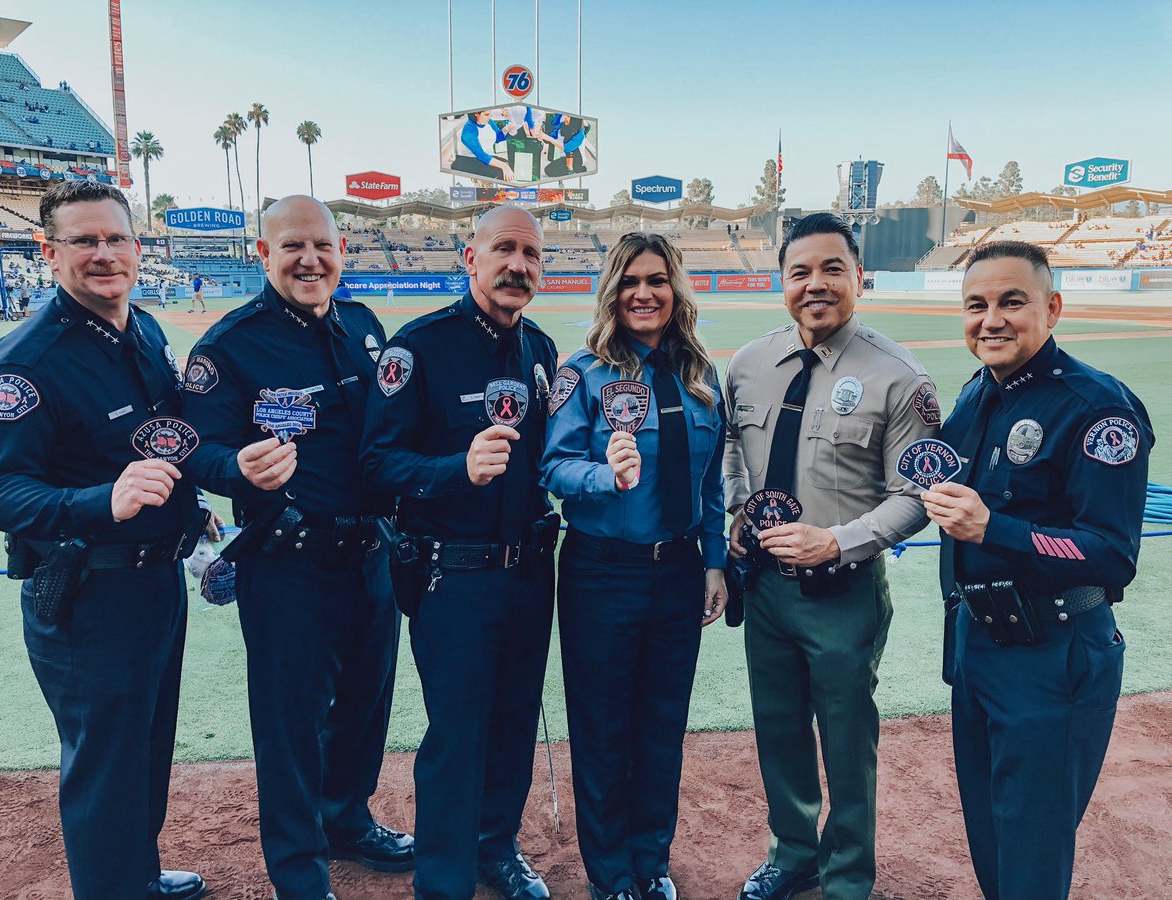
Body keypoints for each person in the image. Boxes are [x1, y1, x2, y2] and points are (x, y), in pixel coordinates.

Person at [0, 181, 209, 899]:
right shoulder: (26, 362)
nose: (104, 254)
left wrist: (195, 512)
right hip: (87, 594)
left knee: (144, 750)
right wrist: (96, 501)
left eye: (115, 239)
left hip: (153, 583)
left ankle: (132, 874)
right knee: (106, 763)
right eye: (84, 241)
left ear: (138, 249)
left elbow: (163, 442)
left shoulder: (144, 330)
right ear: (48, 252)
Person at [181, 196, 411, 900]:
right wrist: (236, 467)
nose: (309, 260)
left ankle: (347, 820)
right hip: (289, 563)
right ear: (263, 254)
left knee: (365, 707)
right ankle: (298, 872)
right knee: (290, 726)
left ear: (341, 251)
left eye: (322, 246)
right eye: (292, 247)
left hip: (371, 553)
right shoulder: (228, 346)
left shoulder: (366, 327)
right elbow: (197, 448)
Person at [922, 241, 1154, 900]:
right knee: (993, 846)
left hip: (1054, 657)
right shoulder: (976, 395)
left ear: (1052, 308)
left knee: (1031, 855)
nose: (991, 319)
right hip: (979, 649)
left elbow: (1111, 555)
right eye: (977, 305)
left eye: (1011, 302)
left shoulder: (1097, 407)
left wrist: (994, 529)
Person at [724, 213, 938, 900]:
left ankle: (847, 875)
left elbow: (918, 496)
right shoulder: (750, 364)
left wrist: (837, 541)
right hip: (765, 590)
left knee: (847, 742)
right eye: (800, 271)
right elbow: (734, 451)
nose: (815, 284)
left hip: (843, 593)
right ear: (781, 282)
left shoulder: (899, 375)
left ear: (858, 277)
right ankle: (793, 854)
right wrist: (736, 509)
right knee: (778, 729)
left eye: (832, 269)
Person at [361, 205, 559, 900]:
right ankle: (443, 878)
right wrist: (454, 469)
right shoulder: (418, 347)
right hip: (454, 576)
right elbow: (377, 463)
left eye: (531, 255)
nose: (518, 266)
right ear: (468, 259)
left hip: (531, 573)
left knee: (512, 723)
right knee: (457, 734)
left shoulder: (540, 350)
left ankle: (495, 850)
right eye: (503, 250)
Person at [541, 232, 727, 900]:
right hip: (602, 572)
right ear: (612, 292)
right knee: (603, 728)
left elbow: (710, 486)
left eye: (656, 279)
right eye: (629, 281)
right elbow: (552, 467)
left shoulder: (703, 378)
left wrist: (714, 563)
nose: (643, 293)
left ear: (675, 288)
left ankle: (651, 861)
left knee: (661, 726)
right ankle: (611, 874)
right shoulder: (584, 372)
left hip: (678, 573)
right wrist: (601, 474)